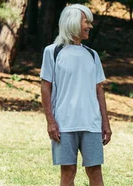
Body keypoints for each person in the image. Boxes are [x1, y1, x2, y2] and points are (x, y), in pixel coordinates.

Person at [40, 4, 112, 186]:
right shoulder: (52, 52)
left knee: (95, 172)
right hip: (64, 124)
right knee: (68, 172)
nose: (90, 26)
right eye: (86, 21)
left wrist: (105, 123)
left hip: (92, 124)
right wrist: (50, 121)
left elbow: (99, 90)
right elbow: (45, 87)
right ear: (72, 23)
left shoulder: (92, 55)